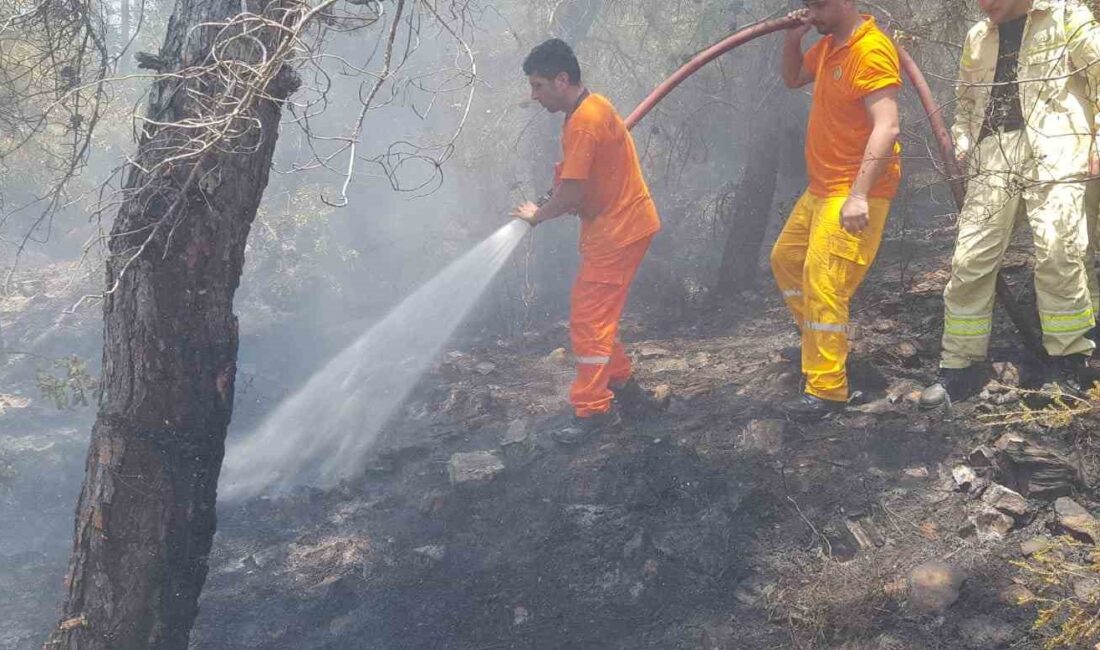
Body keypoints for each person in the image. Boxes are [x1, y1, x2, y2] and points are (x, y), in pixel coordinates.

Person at [920, 0, 1100, 407]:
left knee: (1059, 251)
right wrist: (963, 142)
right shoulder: (978, 36)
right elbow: (967, 100)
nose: (983, 5)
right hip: (994, 153)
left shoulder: (1067, 16)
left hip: (1058, 147)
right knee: (970, 259)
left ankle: (1068, 364)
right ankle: (960, 368)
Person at [511, 39, 661, 442]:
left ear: (563, 79)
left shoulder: (585, 121)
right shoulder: (590, 109)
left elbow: (573, 194)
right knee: (596, 315)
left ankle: (594, 410)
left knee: (589, 319)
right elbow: (580, 179)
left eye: (538, 86)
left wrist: (537, 215)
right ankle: (625, 391)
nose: (534, 95)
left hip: (618, 230)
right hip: (617, 226)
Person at [770, 0, 902, 418]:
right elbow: (792, 78)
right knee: (787, 259)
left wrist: (859, 195)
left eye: (819, 5)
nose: (813, 13)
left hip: (853, 189)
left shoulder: (870, 49)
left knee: (823, 279)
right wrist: (794, 37)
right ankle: (822, 346)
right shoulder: (829, 45)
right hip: (823, 187)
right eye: (808, 5)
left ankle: (827, 390)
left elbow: (888, 125)